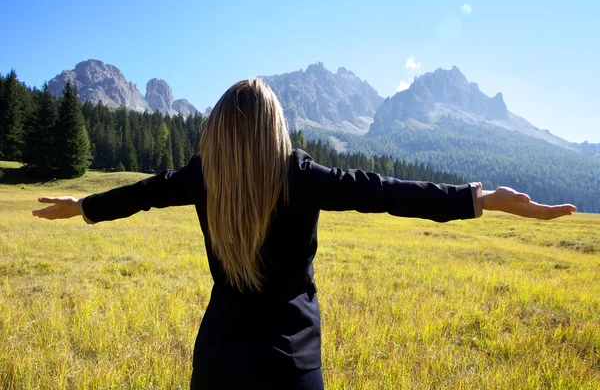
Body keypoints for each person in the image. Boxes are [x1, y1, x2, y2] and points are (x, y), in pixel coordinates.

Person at [32, 78, 577, 390]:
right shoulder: (300, 176)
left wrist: (83, 207)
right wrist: (478, 200)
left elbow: (142, 193)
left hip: (218, 359)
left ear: (217, 130)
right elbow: (387, 193)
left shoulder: (204, 174)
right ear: (277, 127)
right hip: (289, 364)